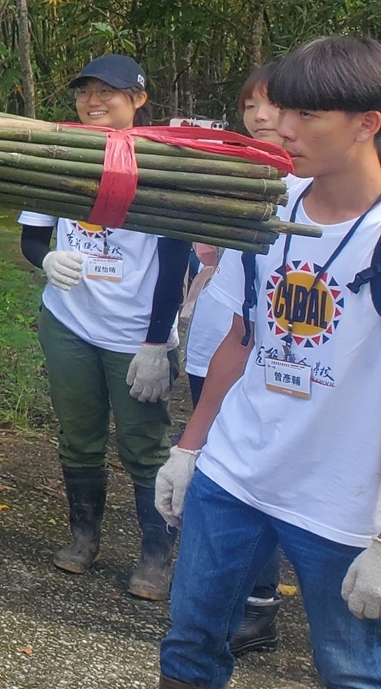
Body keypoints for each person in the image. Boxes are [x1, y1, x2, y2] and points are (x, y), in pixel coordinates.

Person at [156, 35, 381, 689]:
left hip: (341, 502)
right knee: (190, 642)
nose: (283, 129)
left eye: (308, 115)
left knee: (351, 670)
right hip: (236, 474)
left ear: (369, 123)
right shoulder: (268, 206)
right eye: (284, 109)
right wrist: (190, 448)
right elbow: (243, 335)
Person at [19, 54, 190, 601]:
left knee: (144, 444)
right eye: (85, 91)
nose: (93, 101)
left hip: (136, 334)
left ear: (138, 99)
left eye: (108, 92)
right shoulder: (61, 155)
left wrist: (157, 343)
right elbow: (32, 238)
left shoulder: (165, 163)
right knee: (79, 436)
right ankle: (84, 536)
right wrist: (45, 261)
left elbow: (173, 264)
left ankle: (157, 555)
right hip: (69, 322)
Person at [181, 63, 295, 655]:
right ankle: (236, 599)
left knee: (265, 479)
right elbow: (217, 272)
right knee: (225, 475)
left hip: (282, 366)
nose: (260, 118)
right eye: (249, 106)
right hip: (216, 344)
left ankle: (258, 603)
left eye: (273, 105)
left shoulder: (325, 202)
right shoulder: (244, 177)